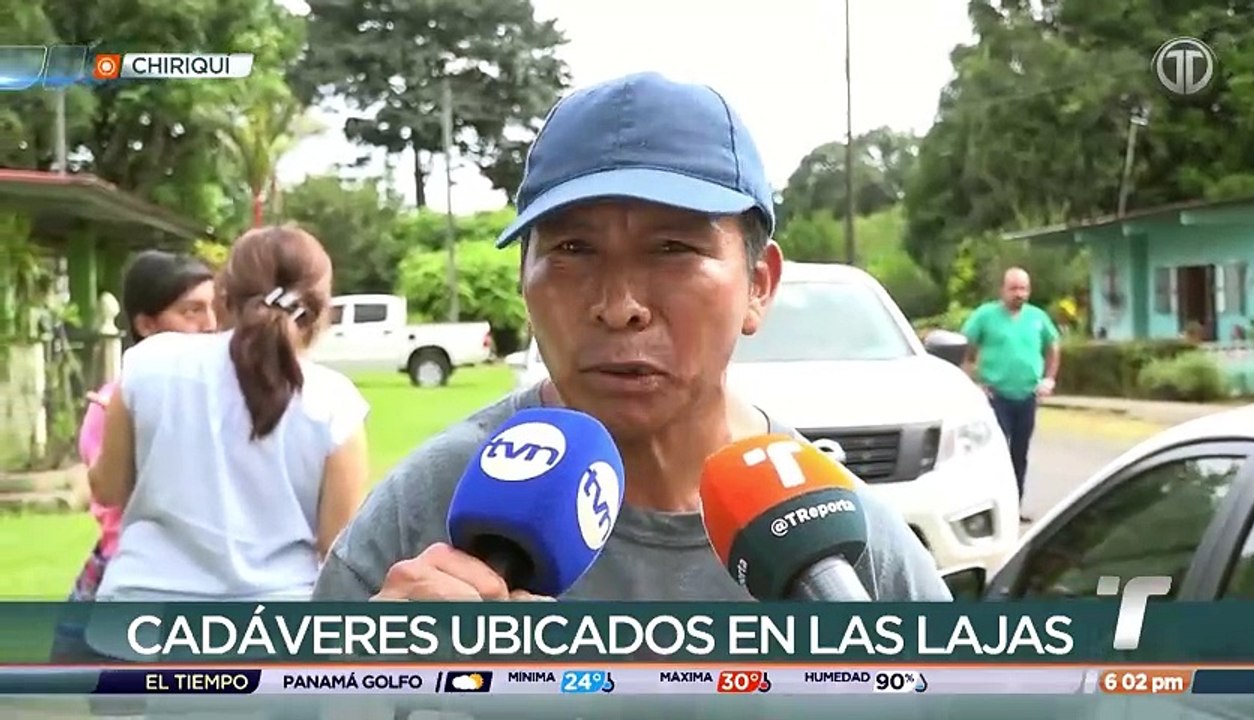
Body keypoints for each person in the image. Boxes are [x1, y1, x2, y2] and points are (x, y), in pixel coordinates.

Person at [312, 72, 950, 603]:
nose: (619, 307)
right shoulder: (417, 521)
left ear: (759, 285)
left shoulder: (850, 558)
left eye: (673, 248)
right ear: (523, 280)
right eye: (572, 249)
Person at [87, 226, 370, 614]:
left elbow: (108, 490)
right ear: (320, 309)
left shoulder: (147, 363)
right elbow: (338, 547)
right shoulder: (334, 401)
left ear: (223, 300)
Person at [50, 251, 217, 662]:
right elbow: (111, 495)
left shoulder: (223, 401)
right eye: (192, 310)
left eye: (216, 308)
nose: (211, 325)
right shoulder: (112, 404)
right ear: (146, 323)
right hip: (132, 577)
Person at [960, 267, 1061, 512]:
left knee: (1020, 453)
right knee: (996, 453)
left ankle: (1015, 506)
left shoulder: (1037, 317)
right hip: (996, 396)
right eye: (1014, 288)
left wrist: (1049, 379)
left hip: (1027, 396)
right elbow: (965, 347)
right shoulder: (985, 316)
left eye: (1023, 289)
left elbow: (1053, 346)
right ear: (1002, 290)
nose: (1019, 293)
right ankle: (992, 507)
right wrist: (972, 381)